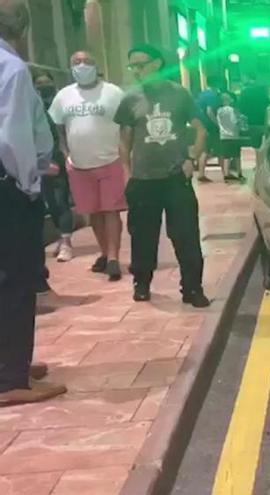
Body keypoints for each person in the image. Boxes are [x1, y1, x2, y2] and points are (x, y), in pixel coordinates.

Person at [0, 0, 67, 405]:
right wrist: (28, 182)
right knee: (17, 281)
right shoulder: (12, 68)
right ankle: (12, 379)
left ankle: (10, 363)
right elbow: (11, 136)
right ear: (21, 27)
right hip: (8, 189)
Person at [115, 44, 210, 307]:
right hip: (143, 181)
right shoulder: (130, 99)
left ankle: (192, 288)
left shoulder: (180, 95)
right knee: (143, 235)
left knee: (185, 234)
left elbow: (201, 129)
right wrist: (127, 174)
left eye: (141, 64)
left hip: (175, 178)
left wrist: (192, 158)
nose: (137, 71)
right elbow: (124, 142)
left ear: (157, 63)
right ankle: (142, 282)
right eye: (132, 66)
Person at [48, 50, 126, 281]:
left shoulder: (113, 93)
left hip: (110, 160)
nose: (82, 66)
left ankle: (113, 257)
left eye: (87, 61)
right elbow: (59, 127)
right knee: (94, 213)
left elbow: (125, 127)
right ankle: (103, 252)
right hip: (79, 164)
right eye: (76, 62)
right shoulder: (64, 96)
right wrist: (65, 153)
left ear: (96, 65)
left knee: (110, 210)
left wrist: (125, 156)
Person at [34, 72, 75, 265]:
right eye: (39, 83)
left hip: (59, 159)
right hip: (40, 162)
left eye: (46, 82)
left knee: (60, 200)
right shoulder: (34, 105)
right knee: (50, 202)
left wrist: (65, 155)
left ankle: (66, 241)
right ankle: (61, 236)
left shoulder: (61, 103)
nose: (44, 86)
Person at [195, 76, 222, 182]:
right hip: (209, 125)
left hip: (202, 123)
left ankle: (201, 172)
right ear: (218, 84)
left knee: (205, 148)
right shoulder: (212, 95)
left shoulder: (202, 94)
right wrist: (217, 124)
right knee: (208, 149)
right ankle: (201, 173)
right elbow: (209, 111)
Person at [217, 91, 244, 182]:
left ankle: (226, 174)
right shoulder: (233, 110)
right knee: (237, 155)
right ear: (228, 100)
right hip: (234, 135)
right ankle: (239, 173)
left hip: (223, 136)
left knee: (226, 156)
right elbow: (234, 121)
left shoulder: (219, 110)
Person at [238, 73, 268, 148]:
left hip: (251, 122)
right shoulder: (263, 91)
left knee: (255, 146)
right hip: (263, 121)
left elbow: (241, 108)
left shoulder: (244, 92)